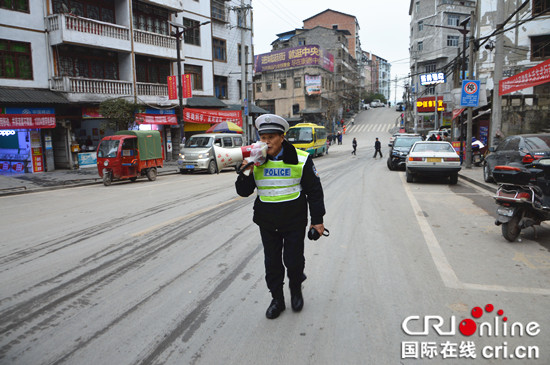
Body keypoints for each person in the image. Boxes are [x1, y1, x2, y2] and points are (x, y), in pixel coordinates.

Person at [235, 114, 326, 320]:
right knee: (272, 263)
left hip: (294, 220)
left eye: (270, 137)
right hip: (267, 222)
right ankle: (277, 300)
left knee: (293, 262)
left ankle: (296, 290)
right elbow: (243, 191)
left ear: (282, 137)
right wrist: (248, 169)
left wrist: (318, 221)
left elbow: (314, 191)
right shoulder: (255, 160)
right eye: (262, 137)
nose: (266, 142)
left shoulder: (302, 159)